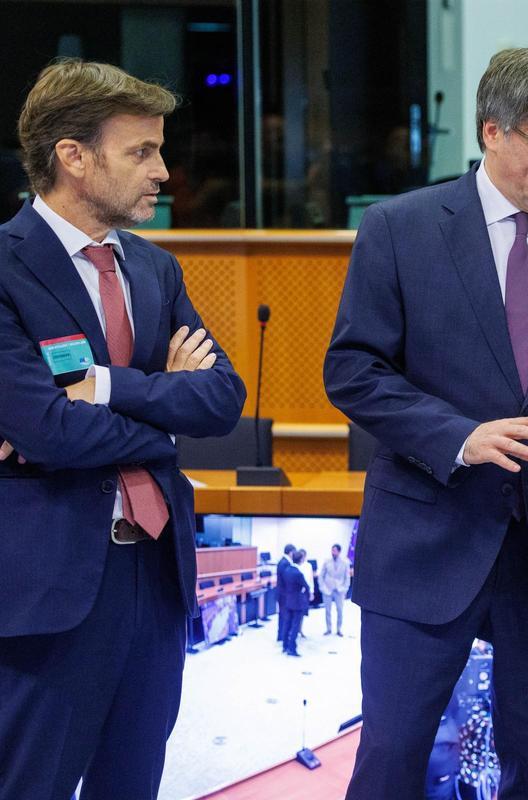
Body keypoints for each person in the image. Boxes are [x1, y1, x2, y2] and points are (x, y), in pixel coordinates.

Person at [324, 43, 528, 799]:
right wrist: (458, 437)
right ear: (491, 132)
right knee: (391, 757)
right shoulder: (400, 228)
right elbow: (352, 371)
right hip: (424, 541)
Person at [0, 59, 245, 799]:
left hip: (155, 580)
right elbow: (47, 431)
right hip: (48, 592)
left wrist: (106, 389)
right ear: (73, 157)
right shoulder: (5, 268)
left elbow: (222, 400)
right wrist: (163, 415)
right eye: (141, 151)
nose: (164, 172)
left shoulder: (155, 270)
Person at [278, 548, 311, 657]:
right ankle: (292, 648)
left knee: (287, 624)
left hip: (288, 600)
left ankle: (285, 646)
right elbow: (306, 586)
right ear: (301, 560)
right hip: (297, 602)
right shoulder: (298, 573)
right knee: (295, 626)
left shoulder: (287, 570)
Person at [319, 542, 351, 635]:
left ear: (339, 551)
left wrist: (345, 589)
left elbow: (347, 577)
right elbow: (321, 575)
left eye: (334, 550)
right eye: (332, 550)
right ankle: (329, 629)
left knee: (340, 610)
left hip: (339, 590)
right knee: (327, 611)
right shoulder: (326, 561)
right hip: (327, 589)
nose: (332, 552)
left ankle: (339, 629)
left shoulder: (345, 562)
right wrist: (322, 587)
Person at [276, 542, 295, 642]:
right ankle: (282, 636)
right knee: (284, 615)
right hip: (284, 594)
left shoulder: (284, 562)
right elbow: (286, 579)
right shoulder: (284, 563)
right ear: (291, 553)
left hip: (283, 593)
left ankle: (281, 635)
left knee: (283, 615)